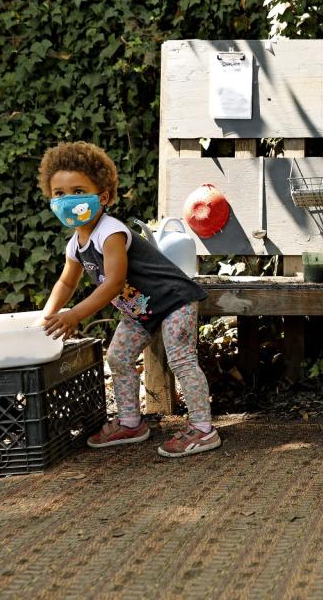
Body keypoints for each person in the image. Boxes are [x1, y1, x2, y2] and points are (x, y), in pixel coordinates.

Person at [38, 141, 221, 456]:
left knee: (181, 359)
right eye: (59, 194)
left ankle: (204, 429)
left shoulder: (110, 233)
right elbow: (66, 282)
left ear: (103, 196)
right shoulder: (76, 244)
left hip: (173, 300)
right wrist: (45, 317)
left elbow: (113, 284)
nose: (68, 200)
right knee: (118, 358)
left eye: (78, 191)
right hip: (141, 311)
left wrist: (74, 316)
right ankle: (130, 422)